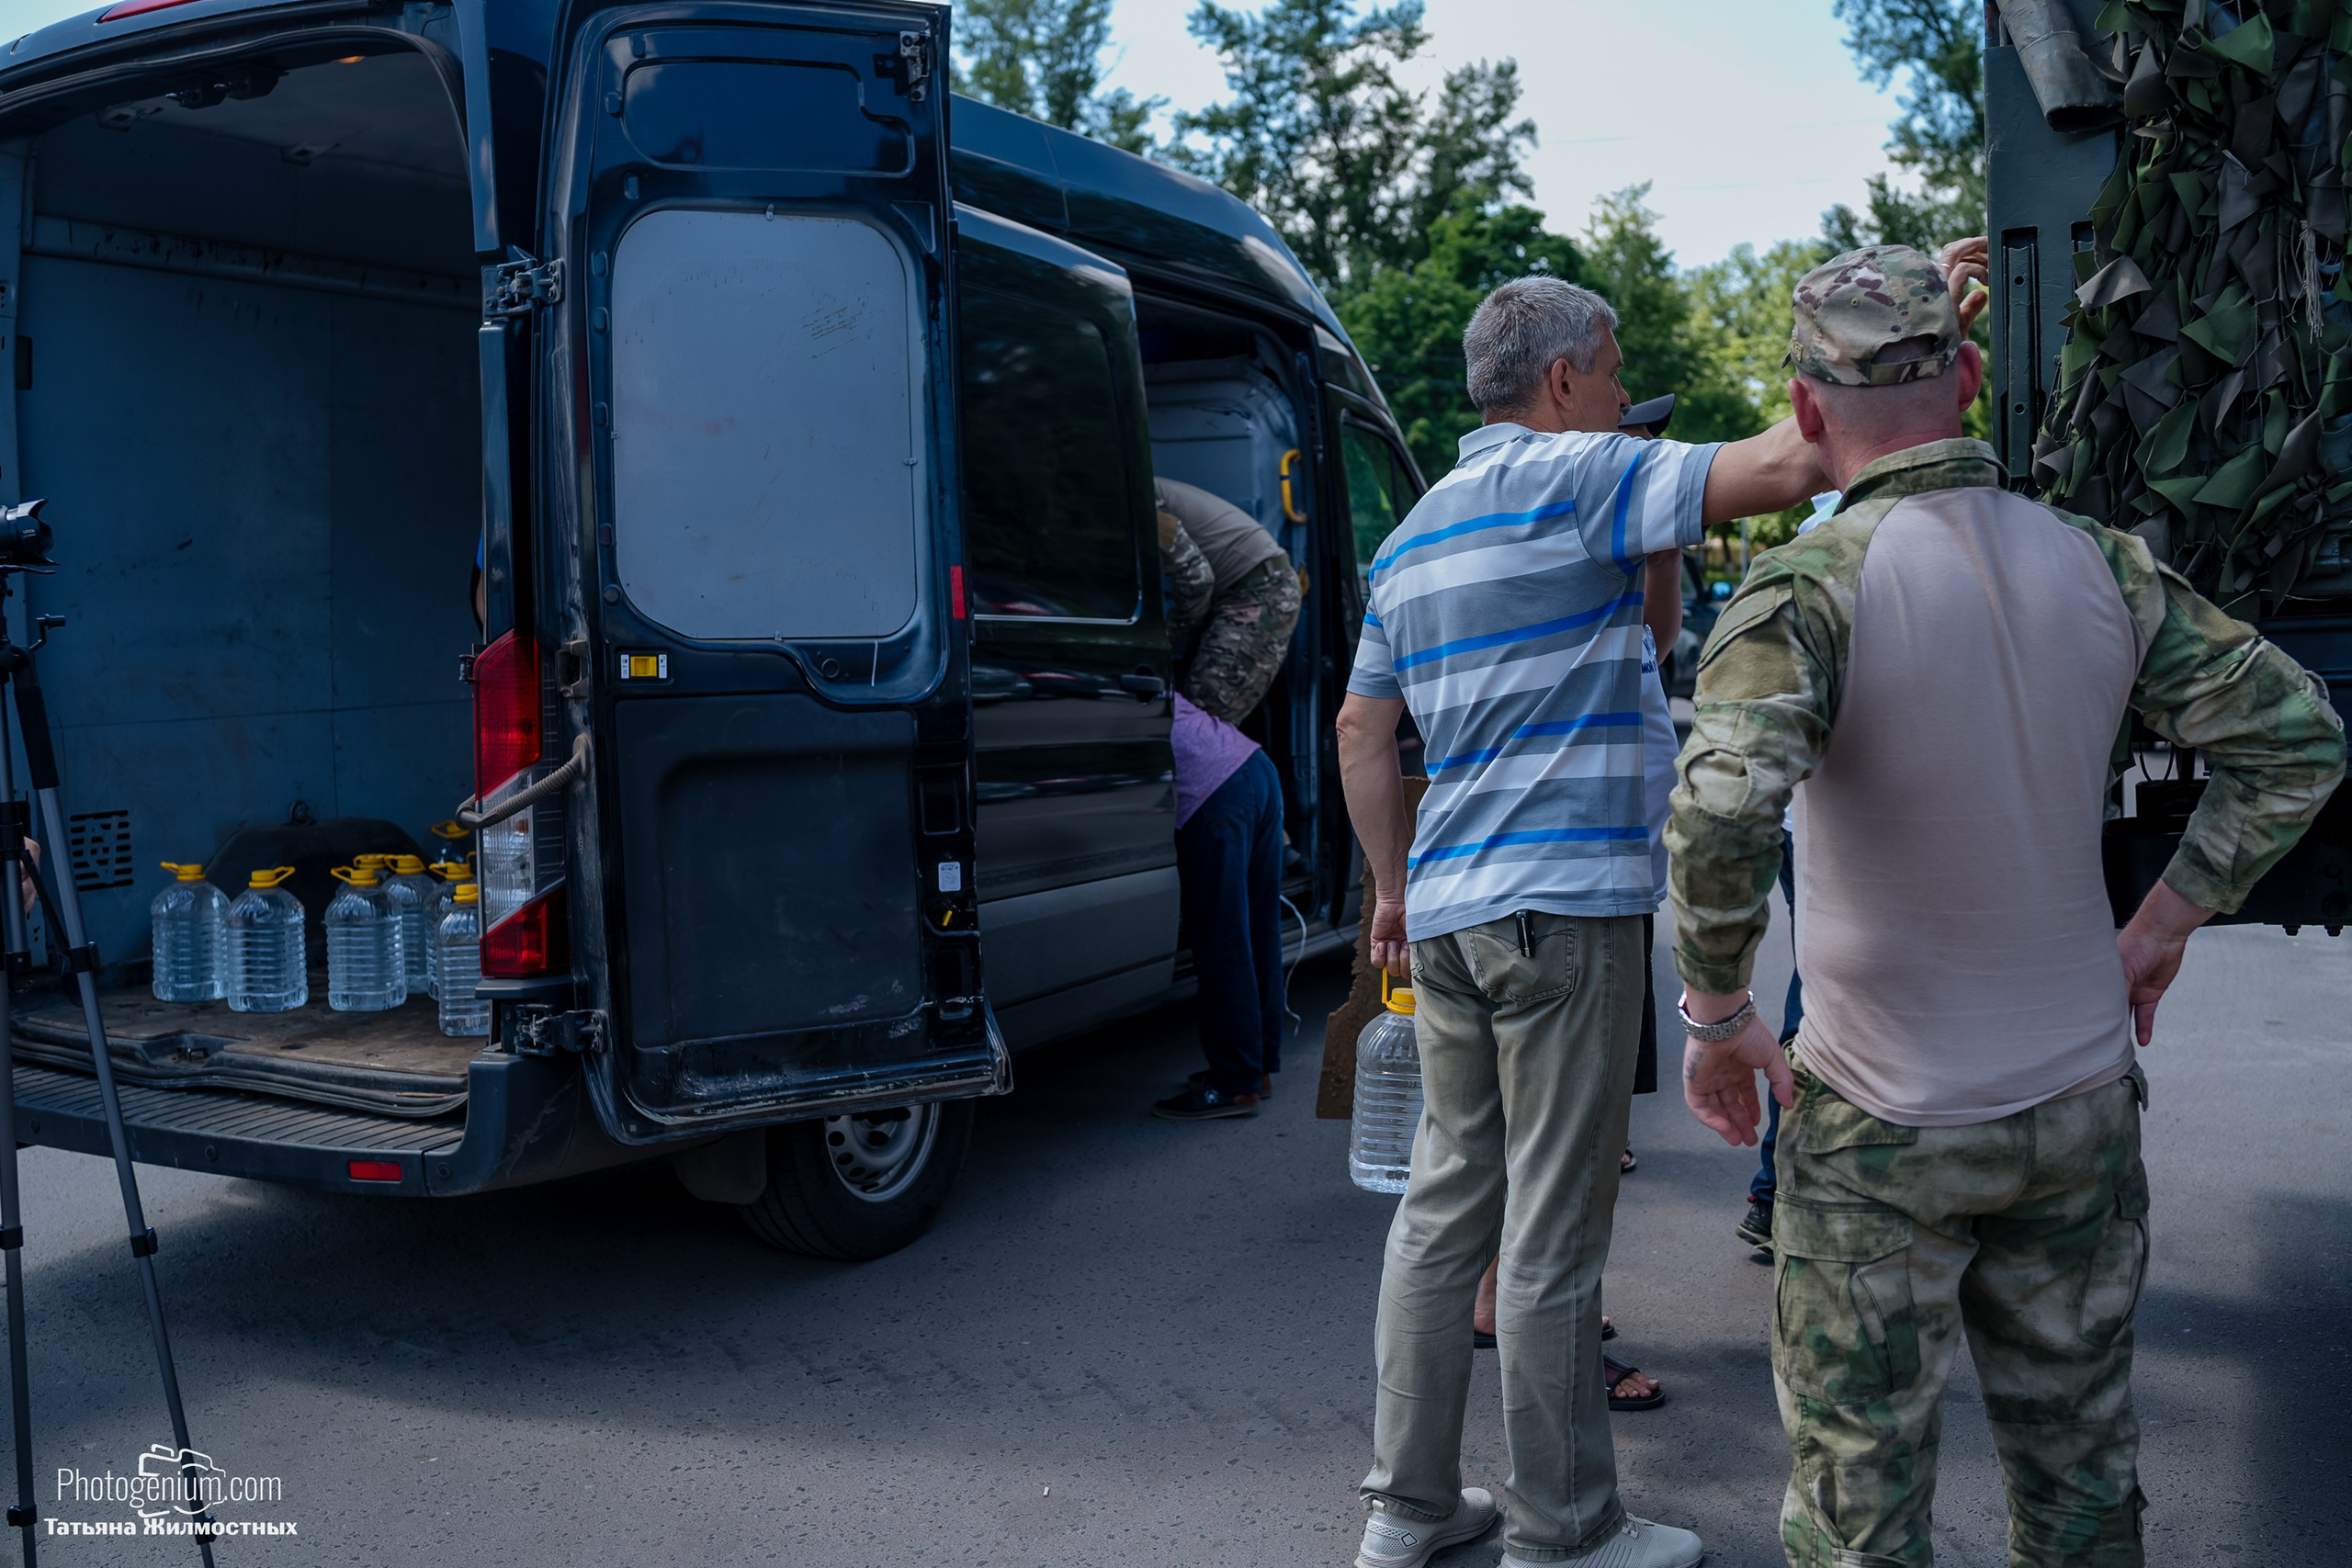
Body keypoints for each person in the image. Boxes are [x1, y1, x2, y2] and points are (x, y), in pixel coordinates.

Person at [1666, 244, 2346, 1568]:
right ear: (1971, 378)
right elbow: (2300, 735)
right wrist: (2160, 924)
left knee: (1863, 1509)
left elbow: (1721, 810)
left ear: (1805, 411)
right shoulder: (2106, 565)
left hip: (1877, 1119)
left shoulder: (1805, 590)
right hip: (2079, 1101)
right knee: (2083, 1478)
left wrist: (1716, 1010)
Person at [1336, 274, 1821, 1568]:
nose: (1622, 395)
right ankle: (1564, 1524)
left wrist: (1390, 885)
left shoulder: (1414, 534)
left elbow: (1362, 731)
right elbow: (1789, 463)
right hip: (1563, 909)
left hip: (1446, 910)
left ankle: (1409, 1508)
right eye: (1613, 371)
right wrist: (1882, 348)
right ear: (1562, 382)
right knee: (1553, 1224)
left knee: (1445, 1212)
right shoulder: (1584, 471)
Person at [1150, 497, 1289, 1120]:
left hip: (1217, 791)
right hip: (1253, 769)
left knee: (1221, 934)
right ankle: (1255, 1065)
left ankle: (1232, 1081)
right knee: (1256, 927)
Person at [1155, 476, 1303, 726]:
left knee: (1204, 719)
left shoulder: (1135, 496)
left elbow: (1196, 580)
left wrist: (1165, 637)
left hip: (1262, 593)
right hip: (1234, 590)